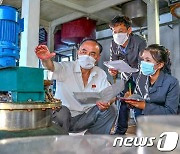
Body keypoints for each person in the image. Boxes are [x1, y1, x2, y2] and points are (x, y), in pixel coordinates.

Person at [35, 39, 117, 134]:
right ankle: (60, 143)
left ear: (98, 57)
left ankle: (92, 141)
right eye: (84, 51)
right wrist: (45, 59)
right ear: (78, 52)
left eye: (92, 54)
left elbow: (110, 95)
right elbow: (51, 66)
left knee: (111, 109)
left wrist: (107, 102)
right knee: (61, 111)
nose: (87, 56)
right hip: (64, 118)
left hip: (85, 118)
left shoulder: (100, 73)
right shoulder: (66, 67)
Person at [108, 15, 147, 135]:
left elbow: (144, 65)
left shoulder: (140, 42)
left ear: (129, 30)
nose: (117, 35)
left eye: (121, 31)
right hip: (126, 76)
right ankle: (120, 131)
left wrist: (134, 90)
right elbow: (113, 62)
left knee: (136, 101)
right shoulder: (114, 44)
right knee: (122, 102)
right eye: (115, 32)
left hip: (140, 76)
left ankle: (143, 132)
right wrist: (112, 70)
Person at [125, 44, 180, 115]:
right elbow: (138, 99)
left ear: (160, 65)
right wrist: (131, 100)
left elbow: (170, 112)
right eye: (143, 60)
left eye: (148, 60)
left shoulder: (172, 82)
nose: (143, 63)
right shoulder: (141, 78)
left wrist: (144, 106)